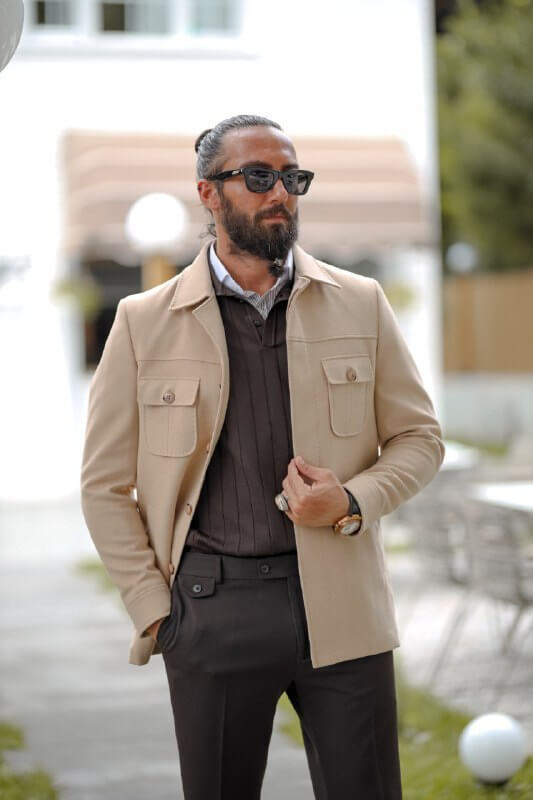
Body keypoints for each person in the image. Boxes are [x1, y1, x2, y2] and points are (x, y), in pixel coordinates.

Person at [81, 114, 445, 800]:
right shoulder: (142, 322)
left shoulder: (360, 304)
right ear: (208, 194)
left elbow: (419, 439)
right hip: (211, 611)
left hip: (344, 604)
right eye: (257, 177)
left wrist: (352, 500)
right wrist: (155, 611)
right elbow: (104, 486)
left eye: (291, 177)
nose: (279, 192)